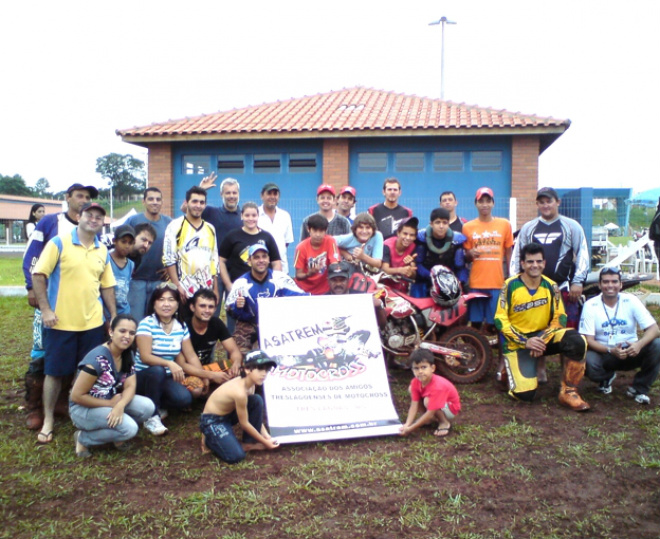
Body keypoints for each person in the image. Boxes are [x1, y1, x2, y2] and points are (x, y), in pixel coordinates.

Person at [32, 202, 117, 443]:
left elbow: (107, 285)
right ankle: (48, 419)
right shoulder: (59, 243)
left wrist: (112, 316)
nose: (94, 219)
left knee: (87, 374)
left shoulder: (102, 250)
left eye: (99, 217)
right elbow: (39, 275)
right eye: (89, 215)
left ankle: (79, 416)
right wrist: (46, 309)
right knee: (55, 373)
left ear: (103, 222)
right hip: (60, 323)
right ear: (79, 217)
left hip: (91, 324)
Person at [22, 182, 99, 431]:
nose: (83, 200)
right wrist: (32, 289)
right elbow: (32, 258)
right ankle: (35, 407)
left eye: (87, 197)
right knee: (42, 353)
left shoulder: (94, 231)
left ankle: (62, 403)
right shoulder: (51, 223)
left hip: (83, 312)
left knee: (76, 359)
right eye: (79, 196)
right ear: (68, 198)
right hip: (50, 302)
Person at [495, 242, 590, 412]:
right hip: (518, 343)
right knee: (525, 395)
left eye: (539, 261)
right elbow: (500, 320)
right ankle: (507, 373)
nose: (535, 265)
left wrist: (540, 339)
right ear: (522, 264)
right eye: (530, 262)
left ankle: (569, 391)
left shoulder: (551, 286)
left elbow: (560, 318)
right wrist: (526, 342)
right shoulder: (509, 285)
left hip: (542, 337)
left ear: (544, 263)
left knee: (577, 340)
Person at [510, 187, 590, 382]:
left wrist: (578, 281)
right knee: (537, 329)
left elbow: (583, 254)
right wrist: (515, 284)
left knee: (566, 330)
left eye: (549, 201)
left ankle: (567, 372)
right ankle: (540, 369)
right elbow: (516, 258)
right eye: (542, 202)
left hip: (563, 289)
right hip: (534, 291)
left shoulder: (572, 227)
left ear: (557, 202)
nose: (546, 205)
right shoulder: (529, 228)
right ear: (537, 204)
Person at [134, 284, 230, 435]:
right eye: (161, 300)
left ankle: (154, 403)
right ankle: (151, 416)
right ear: (154, 303)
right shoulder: (147, 324)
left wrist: (203, 376)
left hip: (167, 376)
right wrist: (169, 363)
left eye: (171, 300)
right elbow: (145, 357)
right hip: (144, 376)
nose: (166, 304)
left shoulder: (180, 326)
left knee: (184, 399)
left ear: (178, 304)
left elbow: (190, 355)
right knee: (157, 371)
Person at [69, 314, 155, 458]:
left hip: (111, 401)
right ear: (111, 332)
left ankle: (115, 435)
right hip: (84, 409)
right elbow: (76, 396)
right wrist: (110, 404)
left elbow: (130, 385)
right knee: (129, 429)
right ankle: (83, 438)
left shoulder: (127, 353)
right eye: (122, 331)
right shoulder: (97, 360)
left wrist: (120, 405)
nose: (127, 336)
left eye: (132, 333)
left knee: (147, 407)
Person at [580, 266, 660, 404]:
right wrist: (611, 350)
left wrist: (638, 345)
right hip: (605, 353)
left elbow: (654, 329)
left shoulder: (631, 301)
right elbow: (588, 340)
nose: (610, 285)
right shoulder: (590, 305)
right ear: (600, 285)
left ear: (621, 284)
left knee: (657, 345)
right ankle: (606, 377)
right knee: (587, 361)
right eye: (606, 282)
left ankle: (639, 388)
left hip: (631, 351)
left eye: (614, 281)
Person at [200, 349, 280, 464]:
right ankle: (209, 438)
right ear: (247, 369)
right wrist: (265, 442)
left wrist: (267, 437)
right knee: (235, 456)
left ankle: (248, 443)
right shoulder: (239, 392)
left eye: (266, 370)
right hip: (212, 420)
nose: (264, 374)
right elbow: (245, 424)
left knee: (256, 400)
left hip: (228, 414)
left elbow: (251, 411)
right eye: (260, 369)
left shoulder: (251, 385)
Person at [226, 244, 308, 353]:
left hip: (278, 323)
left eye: (264, 256)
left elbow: (302, 297)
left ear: (269, 259)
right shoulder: (241, 283)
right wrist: (238, 306)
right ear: (249, 261)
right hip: (251, 323)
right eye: (256, 257)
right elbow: (231, 310)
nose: (261, 260)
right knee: (239, 353)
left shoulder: (280, 278)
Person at [463, 187, 514, 330]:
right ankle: (477, 351)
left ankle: (496, 352)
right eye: (481, 201)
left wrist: (510, 275)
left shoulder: (504, 224)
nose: (484, 204)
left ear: (493, 203)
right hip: (476, 283)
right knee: (476, 323)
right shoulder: (468, 227)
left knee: (494, 324)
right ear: (476, 204)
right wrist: (469, 254)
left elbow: (509, 252)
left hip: (497, 282)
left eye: (488, 201)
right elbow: (465, 256)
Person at [163, 186, 219, 303]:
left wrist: (215, 289)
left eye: (202, 202)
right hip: (184, 290)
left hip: (206, 290)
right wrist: (177, 285)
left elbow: (214, 260)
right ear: (186, 202)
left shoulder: (210, 229)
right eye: (194, 201)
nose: (198, 205)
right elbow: (169, 259)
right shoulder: (175, 226)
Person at [126, 187, 172, 321]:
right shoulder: (133, 221)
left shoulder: (169, 223)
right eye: (151, 199)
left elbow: (178, 248)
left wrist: (170, 269)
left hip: (158, 280)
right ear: (144, 201)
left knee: (157, 320)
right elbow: (121, 244)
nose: (155, 202)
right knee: (135, 320)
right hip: (136, 280)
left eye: (158, 199)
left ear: (162, 202)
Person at [399, 349, 461, 438]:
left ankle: (444, 422)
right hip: (436, 405)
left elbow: (430, 413)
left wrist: (410, 429)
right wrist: (407, 424)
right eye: (416, 368)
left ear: (432, 368)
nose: (420, 371)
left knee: (428, 401)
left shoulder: (437, 386)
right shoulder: (415, 382)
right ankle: (428, 421)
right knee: (411, 389)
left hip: (451, 409)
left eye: (424, 367)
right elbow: (414, 405)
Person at [186, 288, 243, 383]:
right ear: (192, 307)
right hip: (188, 371)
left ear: (215, 309)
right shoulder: (184, 326)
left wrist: (236, 363)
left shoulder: (216, 323)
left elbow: (234, 351)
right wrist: (209, 376)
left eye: (211, 307)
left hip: (208, 369)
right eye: (202, 306)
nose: (207, 310)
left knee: (240, 370)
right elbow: (182, 364)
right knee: (196, 388)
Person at [414, 208, 467, 294]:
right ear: (431, 224)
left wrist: (460, 282)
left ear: (449, 224)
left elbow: (460, 267)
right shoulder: (422, 238)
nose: (441, 226)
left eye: (444, 222)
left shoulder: (456, 240)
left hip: (448, 284)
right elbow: (418, 264)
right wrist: (433, 277)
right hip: (423, 283)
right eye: (438, 222)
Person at [294, 214, 340, 295]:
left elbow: (335, 265)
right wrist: (309, 273)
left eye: (321, 231)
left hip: (325, 290)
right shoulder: (300, 248)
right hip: (304, 291)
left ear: (326, 231)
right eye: (315, 231)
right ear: (308, 229)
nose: (318, 235)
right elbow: (298, 275)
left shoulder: (331, 241)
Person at [258, 182, 294, 274]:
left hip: (282, 269)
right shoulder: (255, 215)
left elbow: (286, 243)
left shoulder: (285, 216)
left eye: (275, 194)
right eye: (269, 193)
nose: (272, 197)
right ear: (262, 196)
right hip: (260, 269)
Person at [382, 217, 418, 293]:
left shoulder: (413, 247)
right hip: (384, 289)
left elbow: (413, 274)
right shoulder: (387, 245)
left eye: (411, 235)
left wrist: (410, 272)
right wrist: (401, 270)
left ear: (415, 237)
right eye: (405, 234)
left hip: (403, 291)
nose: (408, 238)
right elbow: (385, 269)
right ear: (398, 233)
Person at [107, 224, 136, 319]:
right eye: (123, 242)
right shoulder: (106, 258)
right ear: (114, 241)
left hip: (124, 312)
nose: (127, 246)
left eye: (130, 243)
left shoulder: (131, 264)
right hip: (106, 311)